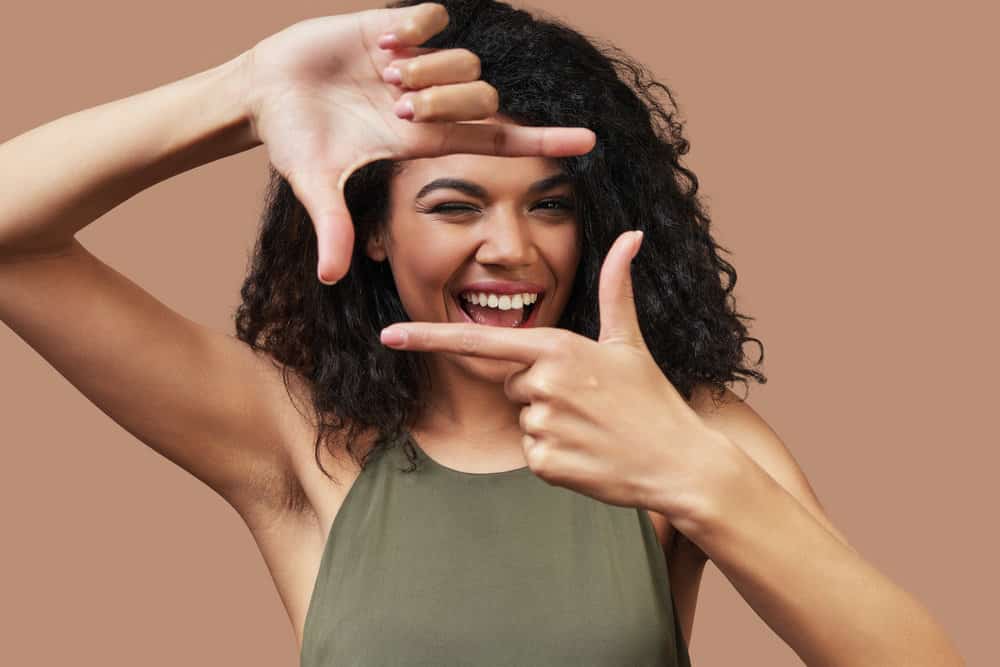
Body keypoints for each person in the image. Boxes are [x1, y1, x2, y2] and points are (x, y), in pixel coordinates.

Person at [0, 0, 963, 665]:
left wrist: (699, 480)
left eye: (550, 206)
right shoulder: (298, 438)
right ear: (373, 229)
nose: (511, 247)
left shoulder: (687, 433)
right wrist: (245, 93)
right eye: (457, 206)